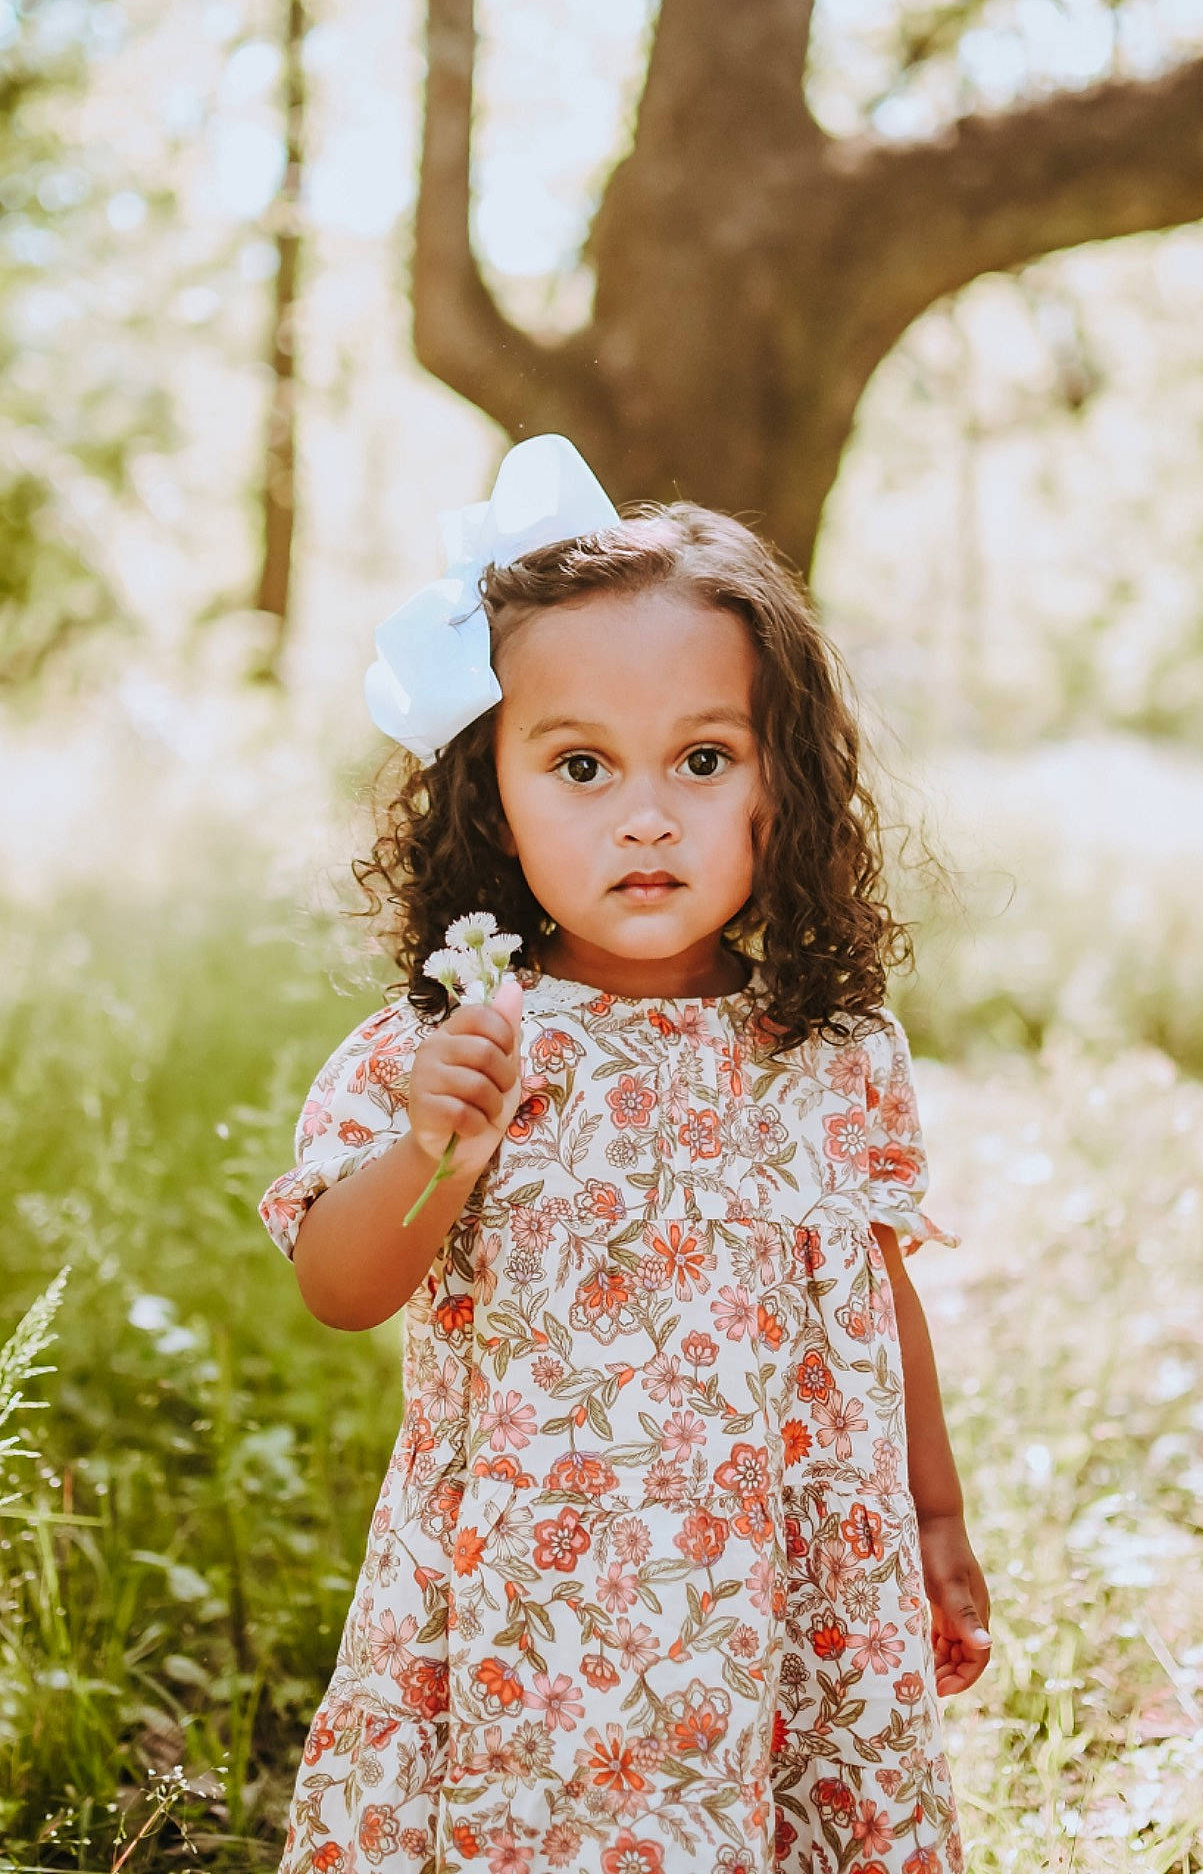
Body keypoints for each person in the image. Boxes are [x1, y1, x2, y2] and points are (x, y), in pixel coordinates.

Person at [258, 435, 990, 1874]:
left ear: (781, 787)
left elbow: (875, 1292)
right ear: (494, 794)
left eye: (702, 760)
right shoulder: (458, 1038)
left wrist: (934, 1514)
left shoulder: (827, 1047)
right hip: (530, 1604)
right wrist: (435, 1150)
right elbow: (342, 1287)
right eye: (580, 764)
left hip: (781, 1589)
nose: (645, 813)